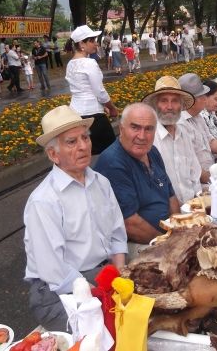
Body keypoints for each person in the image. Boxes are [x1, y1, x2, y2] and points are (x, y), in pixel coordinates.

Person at [23, 105, 128, 331]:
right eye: (71, 142)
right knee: (106, 332)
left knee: (145, 314)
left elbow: (117, 235)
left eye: (85, 138)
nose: (83, 146)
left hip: (101, 273)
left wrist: (119, 275)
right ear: (53, 154)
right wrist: (101, 295)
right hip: (57, 291)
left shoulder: (101, 182)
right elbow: (53, 270)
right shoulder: (44, 201)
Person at [94, 103, 180, 253]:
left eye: (148, 129)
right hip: (138, 244)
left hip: (167, 235)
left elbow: (171, 196)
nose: (142, 136)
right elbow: (130, 224)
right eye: (135, 127)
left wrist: (179, 231)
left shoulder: (152, 151)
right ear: (121, 129)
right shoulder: (113, 163)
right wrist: (168, 243)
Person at [142, 76, 202, 203]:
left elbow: (195, 173)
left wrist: (198, 203)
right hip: (167, 212)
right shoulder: (148, 139)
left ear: (181, 105)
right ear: (155, 105)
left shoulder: (184, 132)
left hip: (193, 206)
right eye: (164, 101)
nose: (170, 107)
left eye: (175, 101)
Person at [65, 25, 119, 155]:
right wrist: (111, 108)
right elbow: (99, 91)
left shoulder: (71, 63)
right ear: (81, 43)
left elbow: (81, 90)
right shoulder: (89, 63)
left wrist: (102, 106)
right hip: (93, 116)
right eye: (92, 41)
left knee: (86, 154)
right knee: (113, 154)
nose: (96, 44)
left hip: (76, 115)